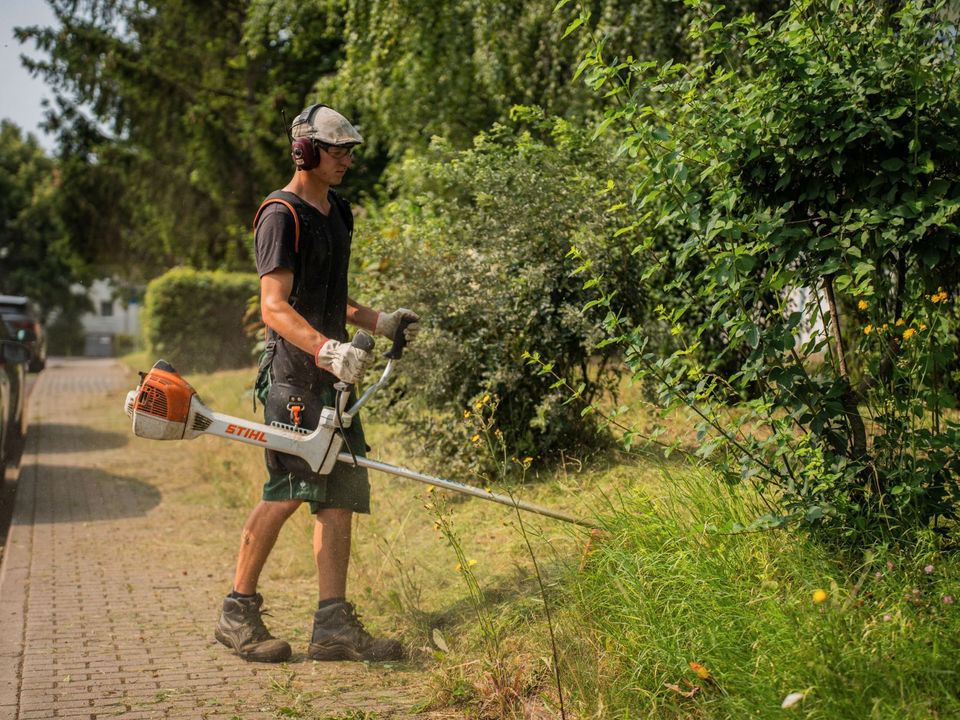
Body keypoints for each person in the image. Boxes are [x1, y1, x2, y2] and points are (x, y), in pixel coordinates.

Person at [215, 104, 419, 663]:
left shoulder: (338, 212)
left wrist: (377, 322)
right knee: (286, 494)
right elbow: (274, 308)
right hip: (295, 382)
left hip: (337, 381)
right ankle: (237, 611)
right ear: (305, 152)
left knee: (338, 499)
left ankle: (332, 627)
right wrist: (326, 349)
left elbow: (330, 296)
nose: (348, 160)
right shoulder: (280, 215)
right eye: (338, 150)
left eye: (351, 150)